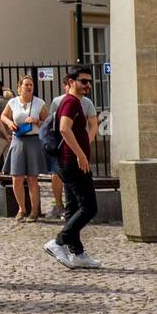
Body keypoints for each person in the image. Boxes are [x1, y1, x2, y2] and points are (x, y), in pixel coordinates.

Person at [45, 67, 101, 269]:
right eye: (83, 81)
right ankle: (59, 242)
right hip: (72, 162)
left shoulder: (75, 102)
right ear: (71, 81)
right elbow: (63, 129)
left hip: (67, 162)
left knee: (73, 207)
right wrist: (80, 154)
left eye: (89, 81)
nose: (87, 85)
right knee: (89, 207)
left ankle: (76, 252)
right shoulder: (71, 102)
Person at [44, 84, 99, 221]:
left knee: (77, 202)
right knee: (87, 206)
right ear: (67, 85)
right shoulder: (61, 101)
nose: (87, 85)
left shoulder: (86, 102)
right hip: (63, 152)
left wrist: (85, 143)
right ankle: (59, 208)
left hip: (78, 152)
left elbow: (94, 124)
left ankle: (66, 237)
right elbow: (58, 127)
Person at [1, 75, 48, 221]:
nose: (29, 87)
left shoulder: (40, 103)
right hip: (18, 141)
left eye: (31, 85)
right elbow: (3, 116)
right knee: (16, 178)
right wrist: (9, 123)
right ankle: (21, 208)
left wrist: (36, 121)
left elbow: (47, 122)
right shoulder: (12, 102)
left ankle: (34, 211)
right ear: (19, 87)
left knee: (33, 178)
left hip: (33, 141)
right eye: (26, 84)